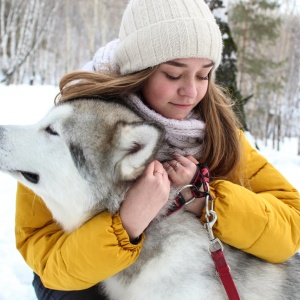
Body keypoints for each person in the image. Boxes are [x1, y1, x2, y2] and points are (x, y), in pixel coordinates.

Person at [15, 0, 300, 299]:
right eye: (173, 75)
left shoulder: (215, 131)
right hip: (81, 281)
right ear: (139, 69)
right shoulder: (74, 124)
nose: (191, 92)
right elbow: (45, 253)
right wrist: (126, 224)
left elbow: (289, 231)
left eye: (203, 75)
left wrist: (206, 201)